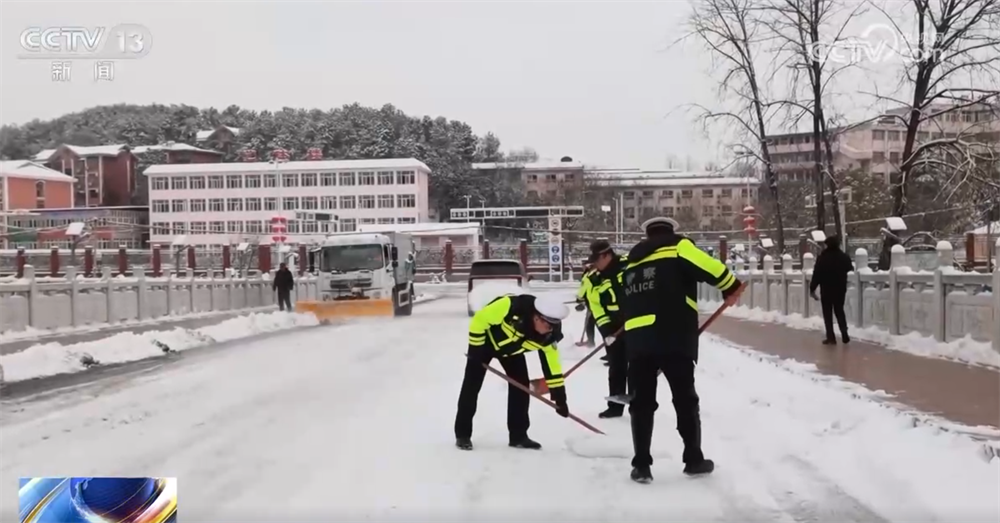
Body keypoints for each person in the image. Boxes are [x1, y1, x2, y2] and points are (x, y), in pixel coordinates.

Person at [618, 217, 744, 484]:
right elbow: (711, 267)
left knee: (641, 402)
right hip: (673, 333)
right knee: (684, 398)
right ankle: (693, 459)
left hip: (638, 339)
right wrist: (730, 287)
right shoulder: (678, 246)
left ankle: (641, 465)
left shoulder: (632, 261)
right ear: (670, 231)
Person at [454, 293, 570, 451]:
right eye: (548, 326)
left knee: (521, 387)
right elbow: (479, 321)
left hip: (512, 351)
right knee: (472, 385)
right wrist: (475, 352)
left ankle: (518, 435)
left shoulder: (549, 335)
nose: (550, 330)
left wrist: (560, 397)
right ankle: (463, 434)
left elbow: (552, 364)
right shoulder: (511, 306)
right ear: (537, 318)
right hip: (484, 344)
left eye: (554, 326)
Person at [584, 239, 630, 418]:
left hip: (637, 323)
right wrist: (606, 332)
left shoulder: (630, 266)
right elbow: (596, 305)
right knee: (616, 366)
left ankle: (639, 404)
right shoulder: (595, 278)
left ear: (606, 255)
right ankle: (615, 406)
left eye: (597, 260)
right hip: (613, 327)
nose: (595, 264)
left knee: (638, 366)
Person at [810, 235, 854, 344]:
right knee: (839, 311)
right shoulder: (844, 257)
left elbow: (817, 274)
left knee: (827, 313)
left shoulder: (822, 258)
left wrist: (812, 289)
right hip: (840, 289)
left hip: (826, 290)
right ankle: (844, 334)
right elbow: (851, 270)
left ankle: (831, 337)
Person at [575, 264, 597, 347]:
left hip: (593, 303)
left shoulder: (588, 275)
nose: (583, 267)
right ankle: (590, 340)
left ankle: (591, 342)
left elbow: (584, 288)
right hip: (594, 302)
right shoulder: (598, 273)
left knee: (589, 323)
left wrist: (580, 298)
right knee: (592, 323)